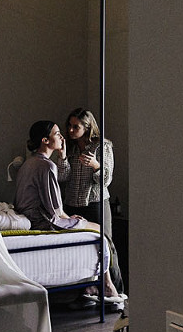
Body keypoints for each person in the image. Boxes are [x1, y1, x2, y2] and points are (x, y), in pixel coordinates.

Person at [15, 120, 125, 306]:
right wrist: (70, 219)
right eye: (57, 134)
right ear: (45, 140)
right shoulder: (46, 165)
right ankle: (108, 285)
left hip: (33, 216)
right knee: (100, 232)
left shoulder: (30, 163)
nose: (62, 136)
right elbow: (55, 210)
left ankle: (92, 286)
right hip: (43, 220)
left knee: (96, 232)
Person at [55, 107, 114, 227]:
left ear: (87, 127)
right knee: (73, 243)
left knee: (103, 241)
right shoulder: (69, 147)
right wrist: (62, 157)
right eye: (69, 125)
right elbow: (62, 178)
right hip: (71, 205)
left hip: (95, 204)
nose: (70, 130)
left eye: (76, 127)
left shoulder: (102, 146)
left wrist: (95, 165)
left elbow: (106, 181)